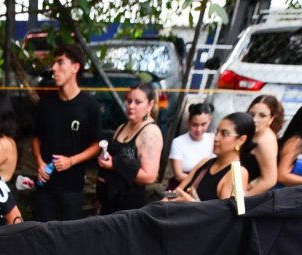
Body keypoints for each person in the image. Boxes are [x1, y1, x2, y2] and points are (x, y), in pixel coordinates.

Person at [32, 44, 103, 221]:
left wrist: (71, 161)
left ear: (75, 67)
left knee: (68, 237)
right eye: (53, 64)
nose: (54, 69)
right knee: (41, 235)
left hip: (72, 187)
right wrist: (40, 163)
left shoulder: (89, 106)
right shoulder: (45, 104)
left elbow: (96, 146)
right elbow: (35, 138)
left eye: (60, 63)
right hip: (45, 186)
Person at [96, 81, 163, 214]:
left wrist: (115, 165)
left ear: (150, 105)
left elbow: (150, 176)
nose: (131, 106)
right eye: (128, 101)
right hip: (108, 203)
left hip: (127, 208)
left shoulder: (150, 133)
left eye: (138, 102)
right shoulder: (123, 126)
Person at [170, 112, 254, 202]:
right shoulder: (205, 162)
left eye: (224, 134)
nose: (216, 138)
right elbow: (177, 192)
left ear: (241, 140)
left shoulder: (238, 173)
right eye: (217, 132)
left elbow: (228, 214)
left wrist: (192, 203)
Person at [168, 102, 214, 189]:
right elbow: (178, 175)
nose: (199, 129)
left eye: (203, 124)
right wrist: (203, 182)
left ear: (210, 120)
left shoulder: (213, 140)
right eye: (195, 125)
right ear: (188, 122)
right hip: (181, 187)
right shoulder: (178, 142)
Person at [246, 94, 282, 194]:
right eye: (252, 114)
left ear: (271, 118)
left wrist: (242, 201)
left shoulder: (265, 142)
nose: (255, 120)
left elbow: (270, 180)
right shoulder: (252, 132)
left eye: (262, 115)